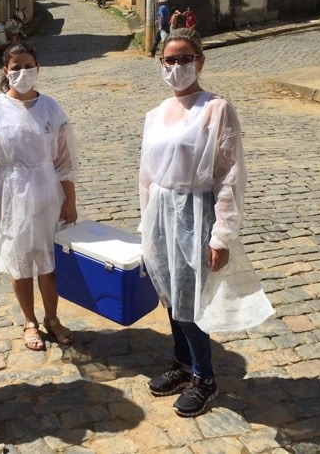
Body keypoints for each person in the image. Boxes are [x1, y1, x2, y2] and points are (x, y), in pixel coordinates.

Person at [139, 28, 274, 417]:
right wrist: (147, 223)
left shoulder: (215, 108)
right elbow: (146, 174)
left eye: (184, 58)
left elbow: (228, 175)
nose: (177, 66)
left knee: (192, 298)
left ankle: (205, 377)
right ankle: (183, 365)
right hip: (161, 212)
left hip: (195, 211)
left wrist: (221, 235)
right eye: (169, 60)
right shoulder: (156, 114)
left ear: (200, 61)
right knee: (170, 293)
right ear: (161, 65)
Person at [0, 40, 78, 351]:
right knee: (19, 259)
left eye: (29, 66)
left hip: (48, 189)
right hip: (11, 190)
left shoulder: (50, 107)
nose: (23, 72)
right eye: (16, 68)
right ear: (6, 71)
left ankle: (52, 318)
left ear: (38, 68)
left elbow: (65, 158)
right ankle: (29, 320)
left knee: (50, 260)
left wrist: (70, 199)